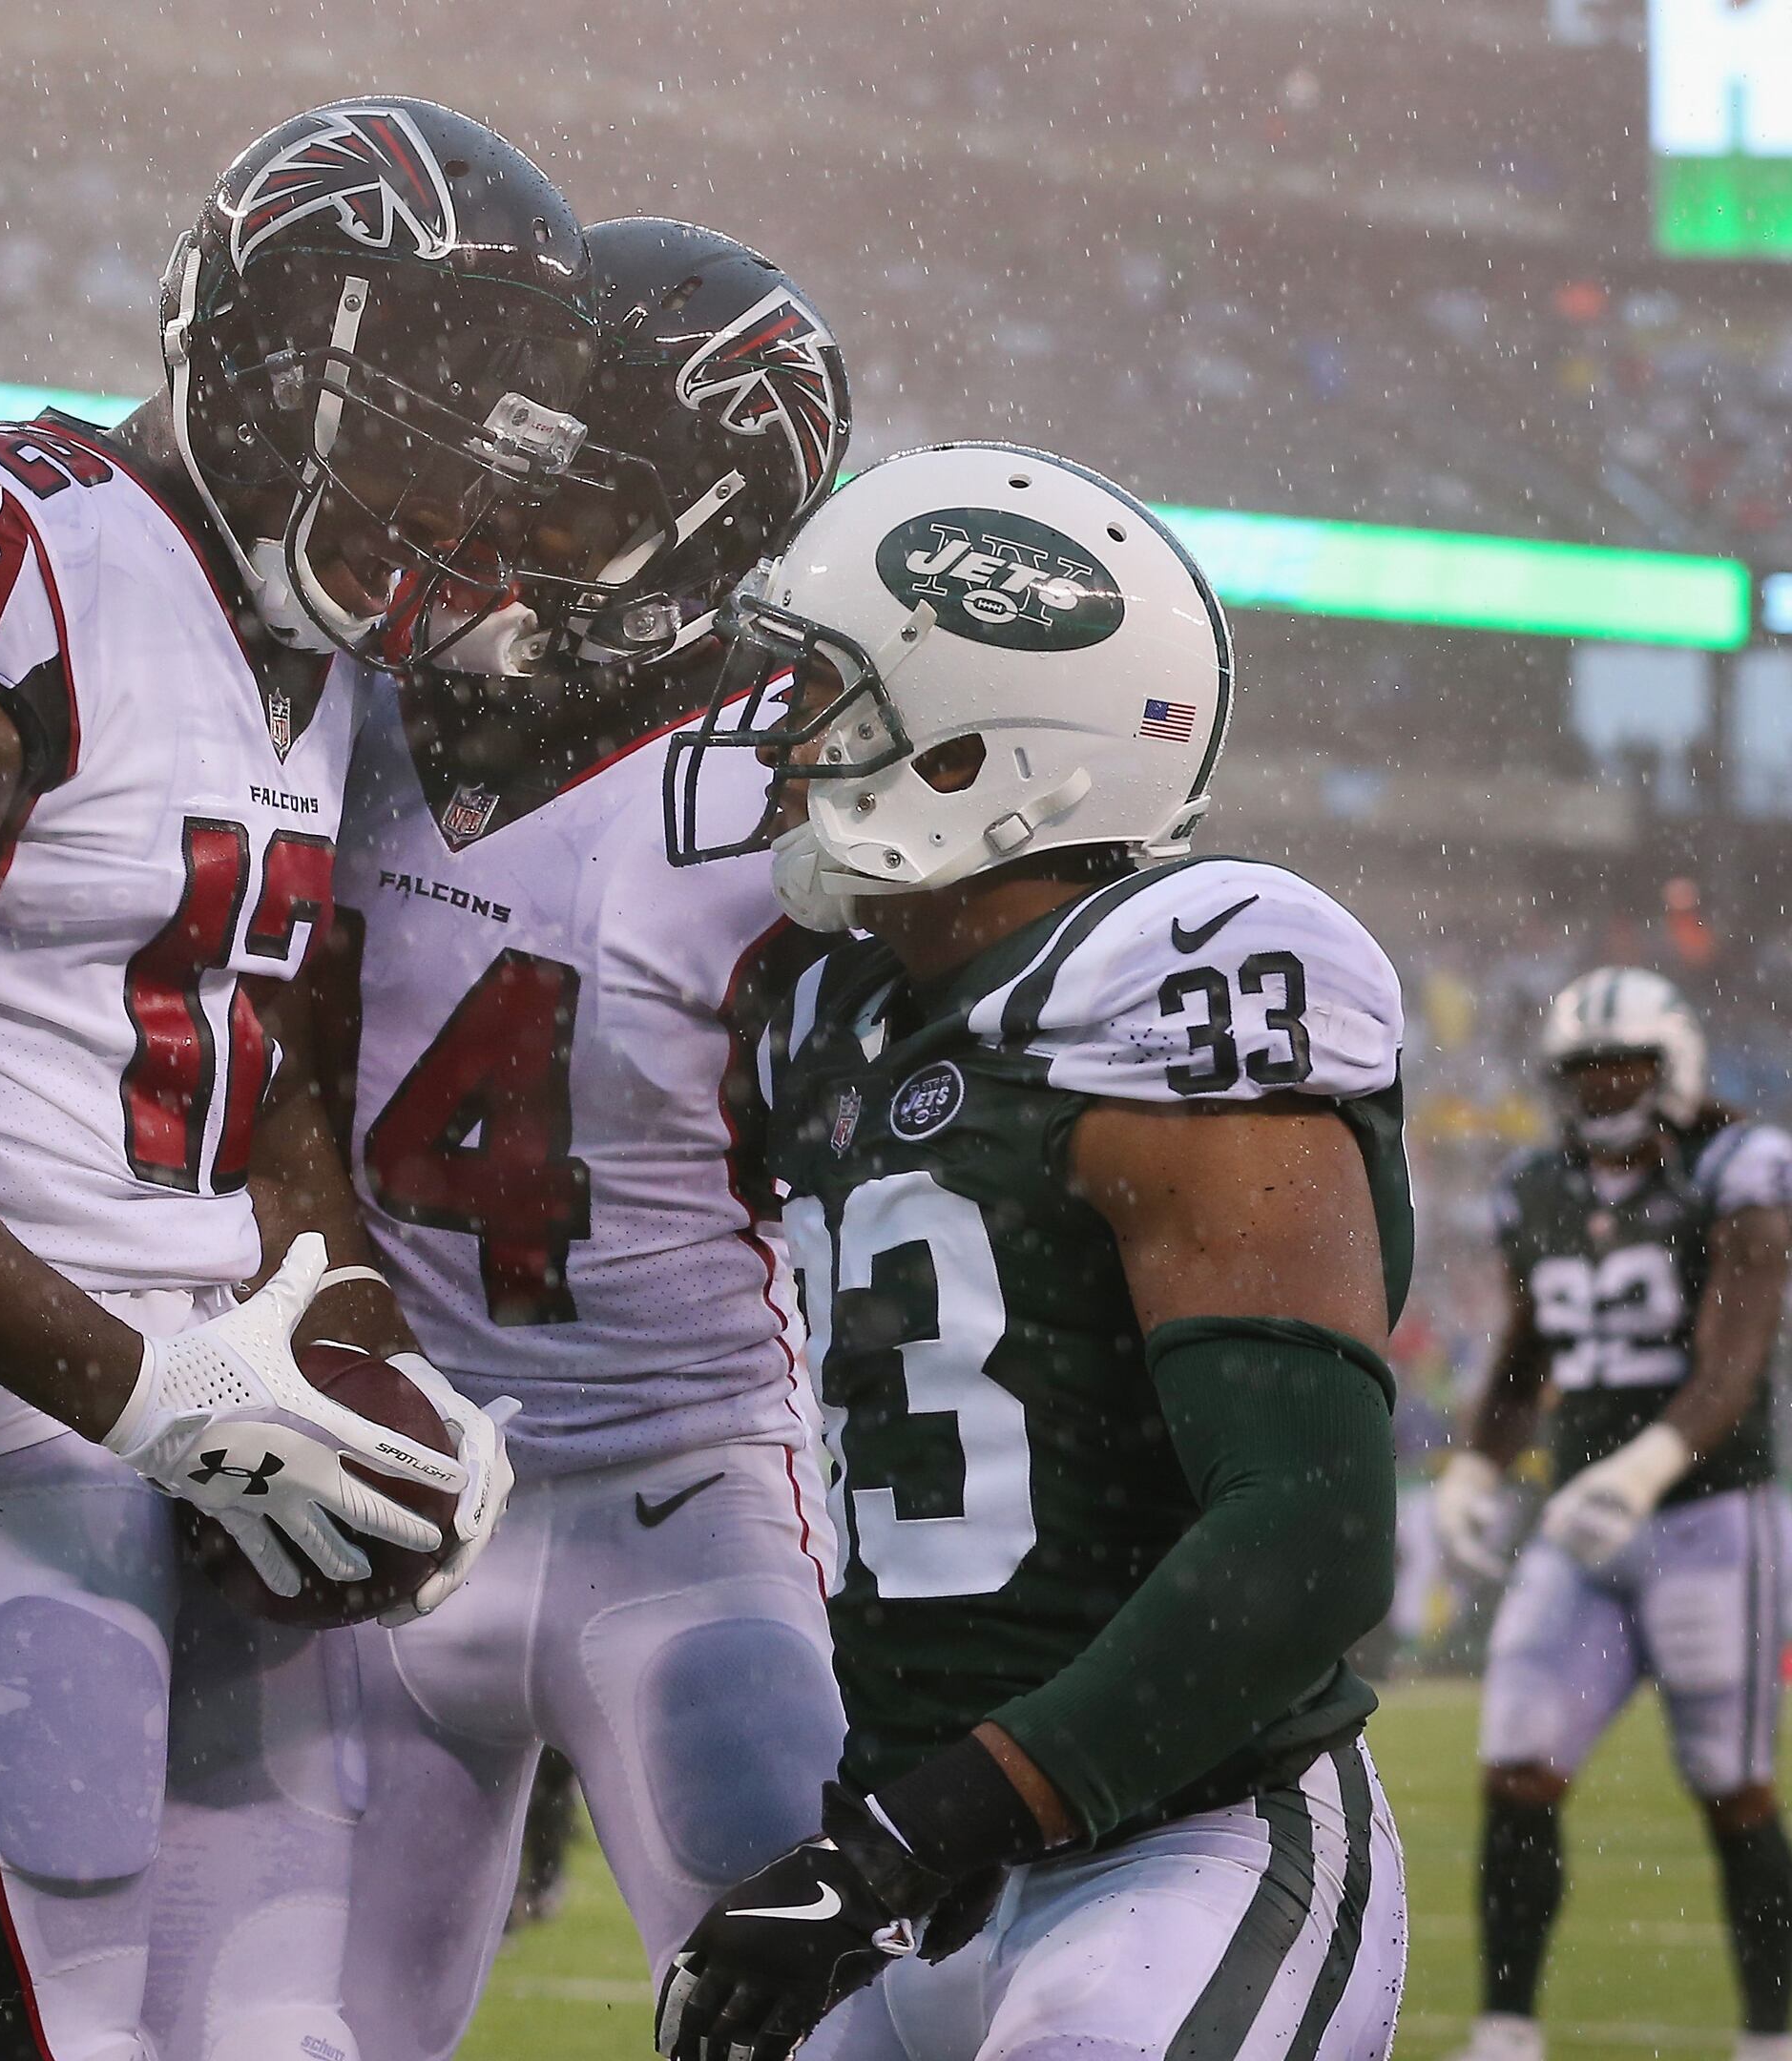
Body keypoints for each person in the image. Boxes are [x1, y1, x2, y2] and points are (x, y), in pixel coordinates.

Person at [0, 96, 646, 2061]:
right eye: (408, 450)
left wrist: (352, 1345)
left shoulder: (325, 654)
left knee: (281, 2039)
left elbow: (257, 1056)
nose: (438, 521)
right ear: (265, 368)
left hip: (206, 1377)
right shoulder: (15, 556)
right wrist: (144, 1393)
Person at [647, 445, 1409, 2061]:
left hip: (1186, 1848)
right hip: (917, 1865)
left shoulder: (1178, 972)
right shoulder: (827, 1008)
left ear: (975, 746)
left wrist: (905, 1841)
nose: (781, 742)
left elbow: (1310, 1539)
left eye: (828, 700)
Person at [295, 219, 857, 2057]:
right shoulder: (349, 688)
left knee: (818, 2032)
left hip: (687, 1505)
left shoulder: (797, 783)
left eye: (555, 487)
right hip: (373, 1472)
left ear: (709, 524)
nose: (477, 517)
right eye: (489, 459)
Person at [1432, 968, 1792, 2061]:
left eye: (1624, 1066)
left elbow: (1733, 1361)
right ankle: (1504, 2031)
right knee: (1518, 1762)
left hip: (1710, 1519)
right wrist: (1477, 1469)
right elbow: (1521, 1365)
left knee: (1730, 1785)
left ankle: (1772, 2036)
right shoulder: (1534, 1188)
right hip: (1583, 1526)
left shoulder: (1736, 1168)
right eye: (1585, 1072)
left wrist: (1641, 1472)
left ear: (1673, 1065)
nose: (1604, 1089)